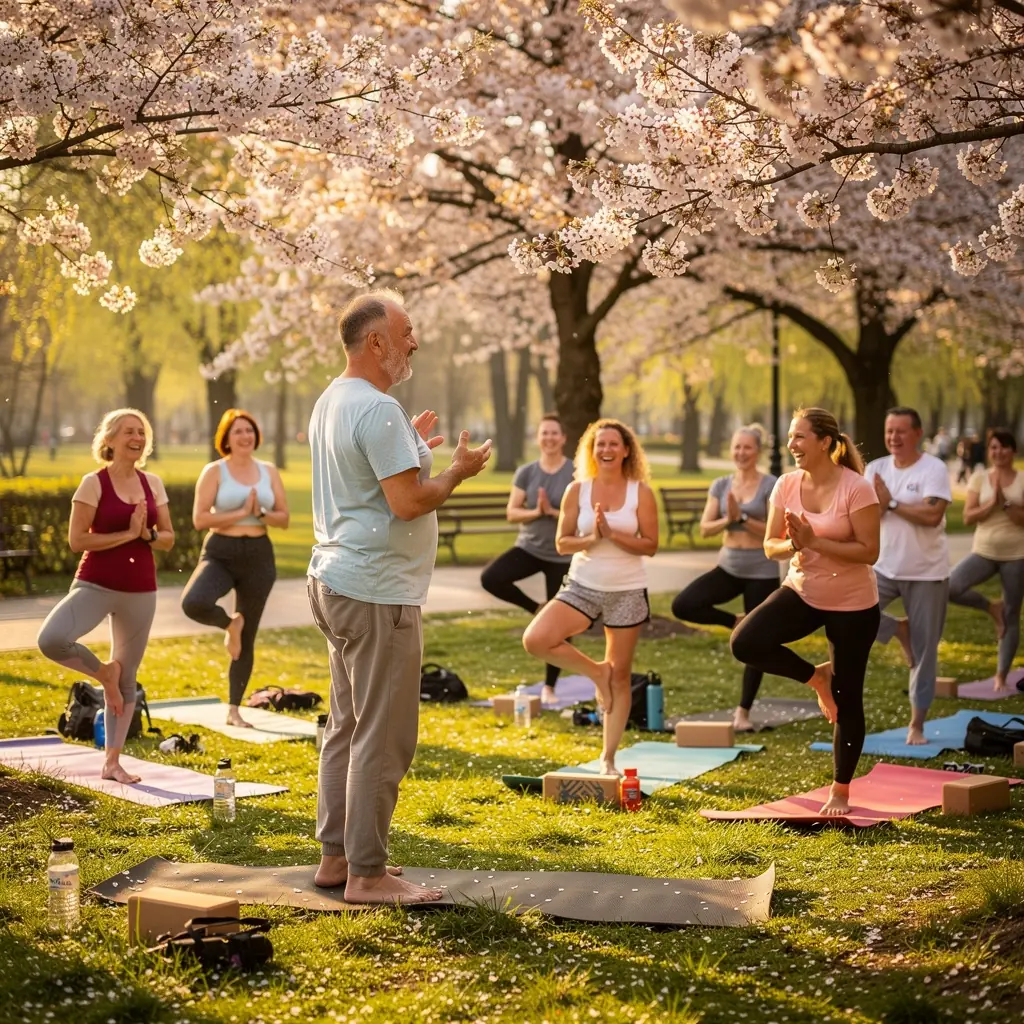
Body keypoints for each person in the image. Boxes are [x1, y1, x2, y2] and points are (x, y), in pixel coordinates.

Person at [307, 289, 492, 905]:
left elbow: (368, 476)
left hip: (335, 582)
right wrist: (456, 473)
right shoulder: (377, 409)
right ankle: (367, 873)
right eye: (406, 330)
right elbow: (407, 502)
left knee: (347, 726)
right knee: (383, 736)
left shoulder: (333, 400)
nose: (415, 341)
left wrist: (410, 449)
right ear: (376, 341)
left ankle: (337, 861)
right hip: (376, 592)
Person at [731, 407, 880, 816]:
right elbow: (770, 545)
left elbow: (869, 551)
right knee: (745, 641)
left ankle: (841, 790)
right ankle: (818, 676)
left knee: (848, 698)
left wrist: (814, 540)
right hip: (803, 590)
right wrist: (796, 545)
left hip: (853, 604)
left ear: (826, 443)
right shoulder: (786, 484)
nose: (791, 445)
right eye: (791, 437)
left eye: (799, 437)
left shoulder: (856, 488)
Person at [36, 409, 174, 784]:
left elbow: (167, 539)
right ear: (109, 439)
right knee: (52, 639)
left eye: (142, 432)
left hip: (140, 589)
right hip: (95, 583)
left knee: (128, 677)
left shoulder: (153, 483)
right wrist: (127, 534)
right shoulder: (93, 483)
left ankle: (112, 763)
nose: (138, 437)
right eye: (129, 431)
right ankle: (103, 674)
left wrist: (143, 535)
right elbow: (77, 540)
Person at [523, 419, 658, 775]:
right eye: (600, 444)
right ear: (591, 450)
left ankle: (608, 758)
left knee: (622, 676)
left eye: (614, 444)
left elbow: (651, 545)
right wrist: (593, 538)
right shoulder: (577, 491)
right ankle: (596, 672)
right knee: (536, 639)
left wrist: (613, 533)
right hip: (582, 584)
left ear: (627, 450)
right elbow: (562, 542)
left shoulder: (640, 492)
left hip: (627, 589)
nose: (607, 450)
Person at [181, 409, 290, 727]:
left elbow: (283, 518)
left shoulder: (268, 471)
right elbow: (200, 519)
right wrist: (240, 511)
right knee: (194, 602)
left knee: (250, 635)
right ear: (225, 438)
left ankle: (234, 709)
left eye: (249, 431)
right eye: (238, 431)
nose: (245, 436)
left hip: (259, 554)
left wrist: (260, 514)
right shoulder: (214, 471)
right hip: (220, 552)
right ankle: (230, 624)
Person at [670, 425, 778, 732]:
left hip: (761, 571)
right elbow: (706, 528)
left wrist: (741, 518)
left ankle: (743, 712)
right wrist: (727, 520)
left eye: (747, 447)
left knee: (755, 643)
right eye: (737, 447)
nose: (741, 453)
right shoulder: (721, 485)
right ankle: (734, 621)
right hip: (728, 568)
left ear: (757, 451)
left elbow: (775, 531)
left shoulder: (771, 485)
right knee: (684, 604)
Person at [865, 408, 951, 744]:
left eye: (901, 431)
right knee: (852, 614)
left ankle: (917, 723)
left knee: (925, 649)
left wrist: (893, 504)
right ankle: (897, 628)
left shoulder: (934, 469)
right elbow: (866, 511)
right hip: (883, 567)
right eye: (889, 431)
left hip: (927, 573)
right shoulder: (875, 469)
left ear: (917, 433)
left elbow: (932, 515)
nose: (894, 438)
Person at [480, 414, 574, 703]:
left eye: (554, 433)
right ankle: (536, 608)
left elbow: (582, 517)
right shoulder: (526, 472)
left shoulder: (575, 472)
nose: (549, 438)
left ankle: (550, 687)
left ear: (563, 438)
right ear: (538, 438)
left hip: (562, 554)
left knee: (561, 625)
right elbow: (512, 512)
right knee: (491, 578)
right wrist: (536, 512)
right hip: (529, 549)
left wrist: (554, 513)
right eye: (544, 433)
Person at [948, 429, 1024, 693]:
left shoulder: (1022, 480)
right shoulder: (980, 478)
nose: (998, 452)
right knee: (951, 587)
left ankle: (1001, 675)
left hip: (1016, 555)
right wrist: (992, 503)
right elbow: (969, 516)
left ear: (1013, 451)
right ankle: (991, 608)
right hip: (983, 551)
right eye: (993, 447)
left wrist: (1005, 505)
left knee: (1012, 612)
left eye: (1003, 447)